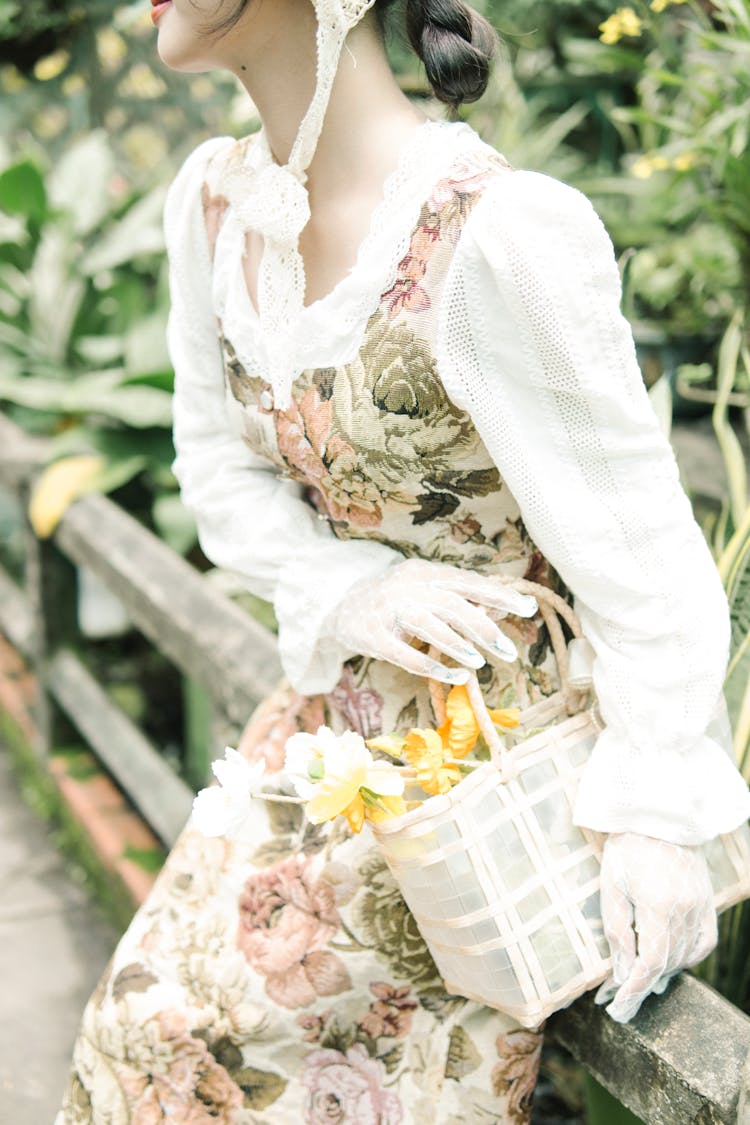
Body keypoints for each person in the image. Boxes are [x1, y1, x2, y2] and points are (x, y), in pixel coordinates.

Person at [57, 0, 750, 1121]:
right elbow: (212, 465)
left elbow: (640, 544)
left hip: (498, 772)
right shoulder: (214, 206)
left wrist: (656, 815)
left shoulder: (501, 235)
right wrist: (351, 587)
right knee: (146, 1033)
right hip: (333, 726)